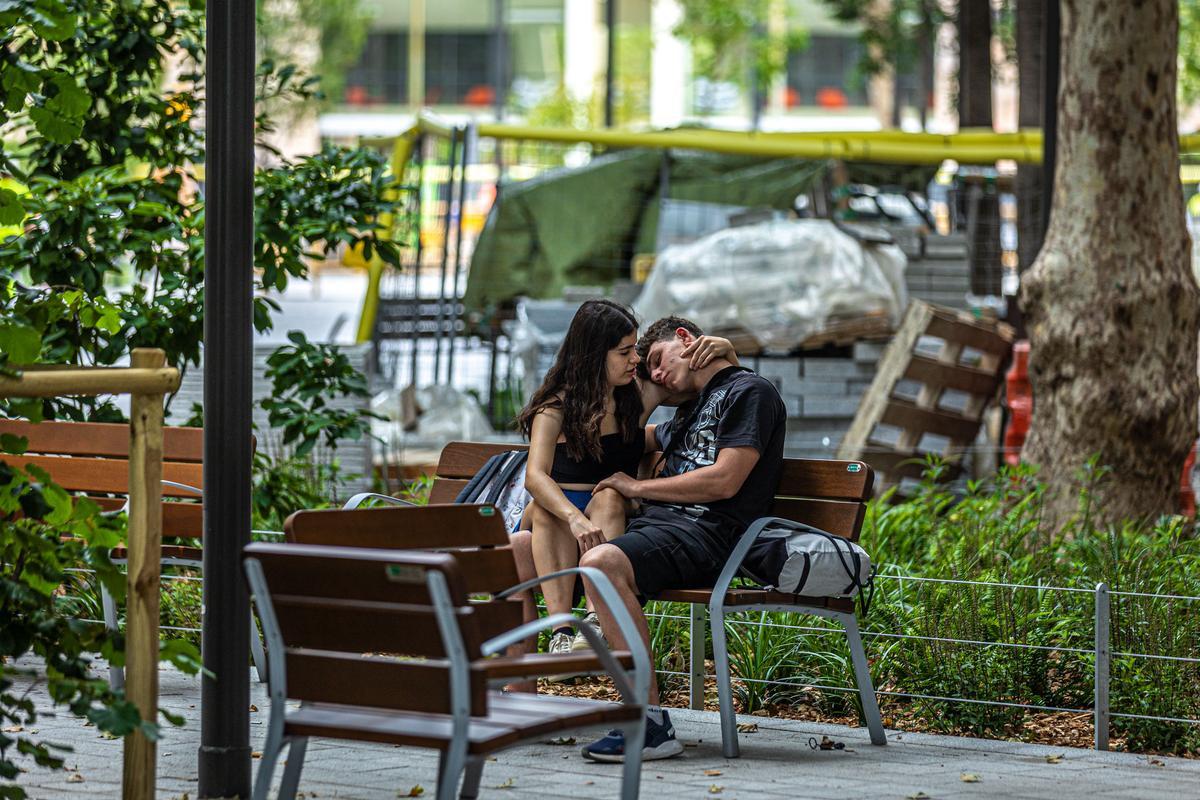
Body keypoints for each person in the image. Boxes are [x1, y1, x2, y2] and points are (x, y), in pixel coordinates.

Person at [575, 315, 787, 763]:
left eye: (656, 359)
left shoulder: (750, 392)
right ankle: (516, 701)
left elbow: (725, 481)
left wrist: (635, 488)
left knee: (600, 563)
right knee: (521, 549)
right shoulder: (688, 411)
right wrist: (656, 389)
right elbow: (620, 437)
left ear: (688, 340)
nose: (653, 373)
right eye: (646, 367)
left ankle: (648, 724)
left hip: (708, 535)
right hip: (661, 530)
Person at [517, 301, 737, 660]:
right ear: (592, 356)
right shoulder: (555, 407)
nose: (635, 360)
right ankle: (560, 633)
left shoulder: (638, 394)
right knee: (546, 508)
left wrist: (726, 349)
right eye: (624, 352)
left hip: (612, 514)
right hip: (558, 518)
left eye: (634, 349)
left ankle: (595, 623)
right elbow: (535, 477)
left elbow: (720, 391)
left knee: (609, 495)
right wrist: (576, 518)